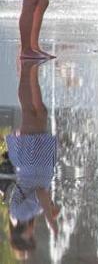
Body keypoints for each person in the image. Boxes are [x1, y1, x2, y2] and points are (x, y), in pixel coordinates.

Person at [5, 58, 60, 257]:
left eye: (31, 238)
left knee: (30, 111)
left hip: (33, 162)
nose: (33, 234)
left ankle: (27, 69)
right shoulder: (26, 215)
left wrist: (50, 220)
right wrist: (51, 209)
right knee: (39, 112)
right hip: (34, 163)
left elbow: (40, 193)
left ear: (23, 235)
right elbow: (43, 197)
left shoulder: (20, 215)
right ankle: (30, 71)